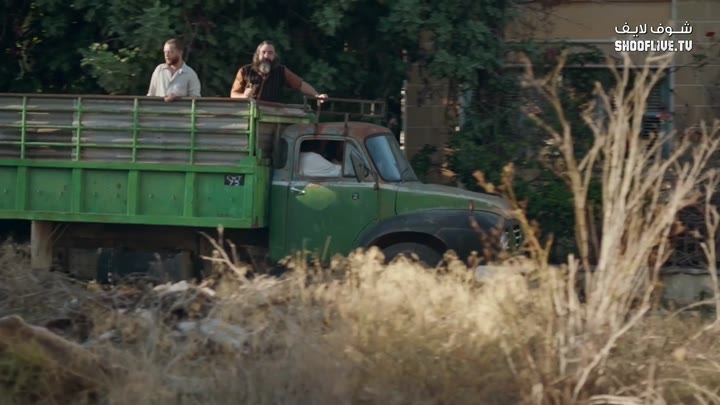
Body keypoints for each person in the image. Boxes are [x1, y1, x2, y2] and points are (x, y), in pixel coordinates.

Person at [230, 40, 328, 103]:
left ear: (274, 55)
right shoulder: (245, 71)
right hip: (247, 114)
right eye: (263, 52)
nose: (266, 56)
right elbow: (233, 94)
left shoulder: (281, 71)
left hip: (271, 114)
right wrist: (244, 96)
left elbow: (300, 84)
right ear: (257, 55)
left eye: (270, 53)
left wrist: (317, 95)